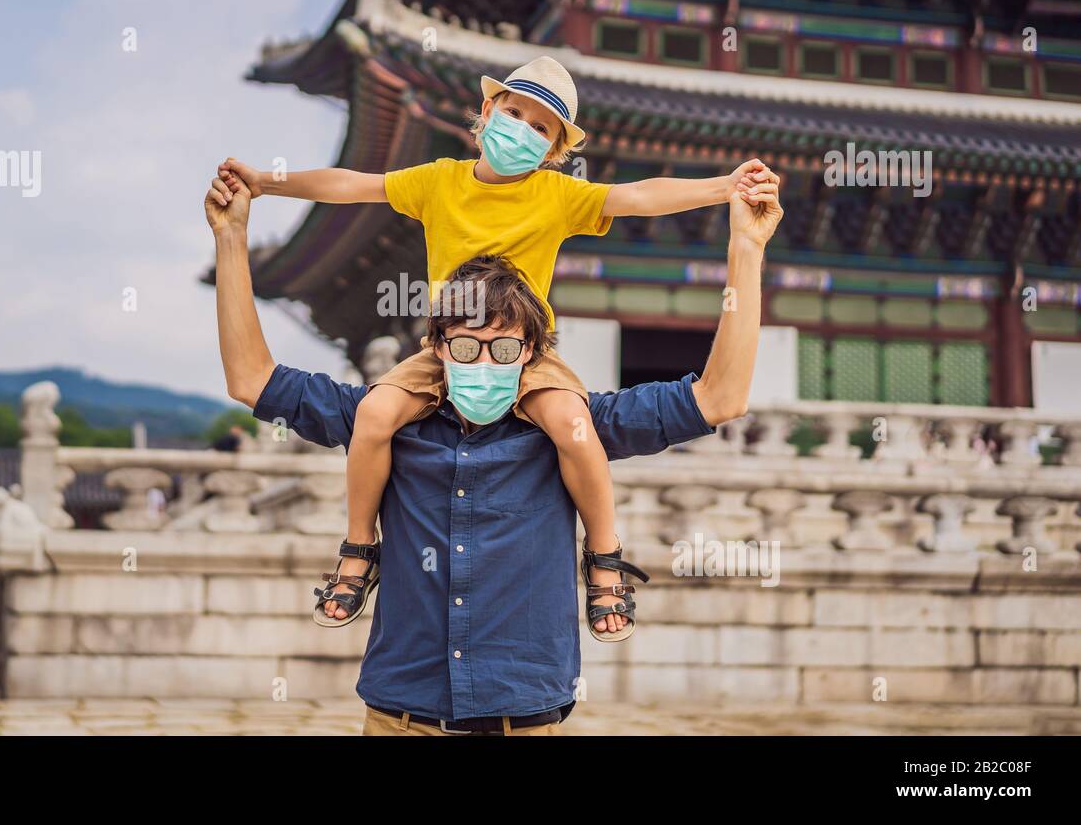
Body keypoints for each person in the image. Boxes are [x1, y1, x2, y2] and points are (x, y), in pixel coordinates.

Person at [204, 161, 782, 735]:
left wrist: (747, 246)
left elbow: (720, 398)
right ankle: (359, 551)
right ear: (436, 346)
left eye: (504, 349)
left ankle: (604, 564)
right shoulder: (385, 419)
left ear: (532, 352)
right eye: (466, 346)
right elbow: (252, 379)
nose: (485, 362)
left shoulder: (574, 425)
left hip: (524, 719)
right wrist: (232, 238)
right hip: (401, 717)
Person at [209, 54, 775, 640]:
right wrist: (267, 183)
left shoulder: (558, 195)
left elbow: (637, 196)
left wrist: (724, 186)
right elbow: (353, 185)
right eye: (514, 112)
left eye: (541, 128)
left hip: (526, 349)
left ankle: (604, 560)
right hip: (444, 346)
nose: (523, 130)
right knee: (375, 413)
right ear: (486, 112)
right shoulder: (437, 181)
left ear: (555, 150)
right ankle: (358, 548)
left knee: (574, 427)